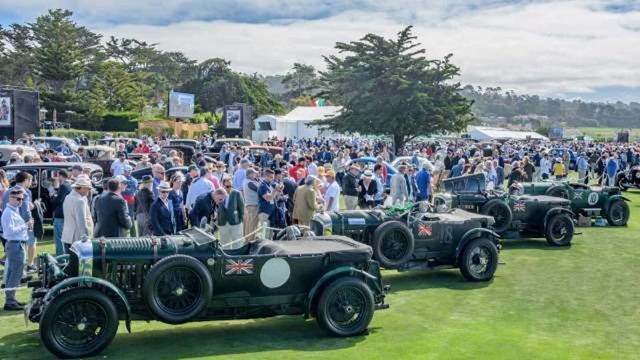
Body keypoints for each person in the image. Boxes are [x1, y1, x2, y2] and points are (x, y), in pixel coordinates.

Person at [2, 189, 33, 311]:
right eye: (18, 199)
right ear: (11, 198)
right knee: (16, 273)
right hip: (15, 244)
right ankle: (10, 301)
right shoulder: (8, 213)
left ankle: (11, 299)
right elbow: (9, 232)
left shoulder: (13, 211)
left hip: (17, 244)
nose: (21, 201)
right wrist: (25, 225)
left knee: (13, 273)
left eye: (22, 199)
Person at [1, 171, 36, 272]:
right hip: (21, 224)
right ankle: (24, 269)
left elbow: (3, 206)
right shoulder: (23, 192)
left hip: (9, 222)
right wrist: (29, 223)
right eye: (30, 180)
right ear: (25, 180)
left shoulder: (8, 191)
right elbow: (26, 210)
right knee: (23, 248)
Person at [61, 176, 94, 252]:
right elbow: (82, 222)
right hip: (77, 239)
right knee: (77, 263)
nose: (89, 191)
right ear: (82, 188)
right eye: (88, 188)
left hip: (67, 236)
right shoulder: (79, 201)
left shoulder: (68, 197)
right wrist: (86, 239)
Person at [217, 180, 245, 249]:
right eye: (227, 186)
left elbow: (241, 208)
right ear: (223, 186)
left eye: (231, 186)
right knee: (224, 242)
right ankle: (226, 258)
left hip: (235, 222)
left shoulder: (236, 193)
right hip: (223, 222)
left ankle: (237, 257)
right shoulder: (218, 194)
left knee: (237, 241)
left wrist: (240, 219)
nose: (229, 188)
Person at [50, 169, 72, 255]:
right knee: (64, 237)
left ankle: (61, 258)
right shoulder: (68, 185)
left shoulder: (64, 186)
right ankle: (65, 256)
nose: (57, 178)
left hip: (60, 215)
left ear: (61, 176)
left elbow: (58, 201)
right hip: (65, 214)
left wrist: (52, 196)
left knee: (59, 238)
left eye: (58, 176)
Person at [258, 169, 282, 239]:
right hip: (265, 212)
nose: (272, 179)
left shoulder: (270, 185)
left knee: (270, 234)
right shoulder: (262, 186)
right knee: (265, 233)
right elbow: (267, 198)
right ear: (265, 176)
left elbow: (276, 198)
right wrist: (275, 190)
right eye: (271, 177)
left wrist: (279, 191)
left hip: (272, 211)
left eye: (273, 177)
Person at [242, 168, 260, 241]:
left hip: (249, 204)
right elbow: (258, 190)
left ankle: (247, 238)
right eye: (254, 174)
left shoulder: (245, 181)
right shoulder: (250, 182)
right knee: (253, 223)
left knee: (248, 223)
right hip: (253, 204)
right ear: (250, 174)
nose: (255, 175)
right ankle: (251, 239)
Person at [121, 166, 138, 236]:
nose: (124, 172)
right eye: (124, 171)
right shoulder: (121, 178)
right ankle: (123, 233)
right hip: (122, 199)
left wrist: (123, 189)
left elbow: (131, 191)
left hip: (129, 200)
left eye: (125, 171)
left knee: (131, 217)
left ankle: (133, 234)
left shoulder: (133, 180)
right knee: (122, 216)